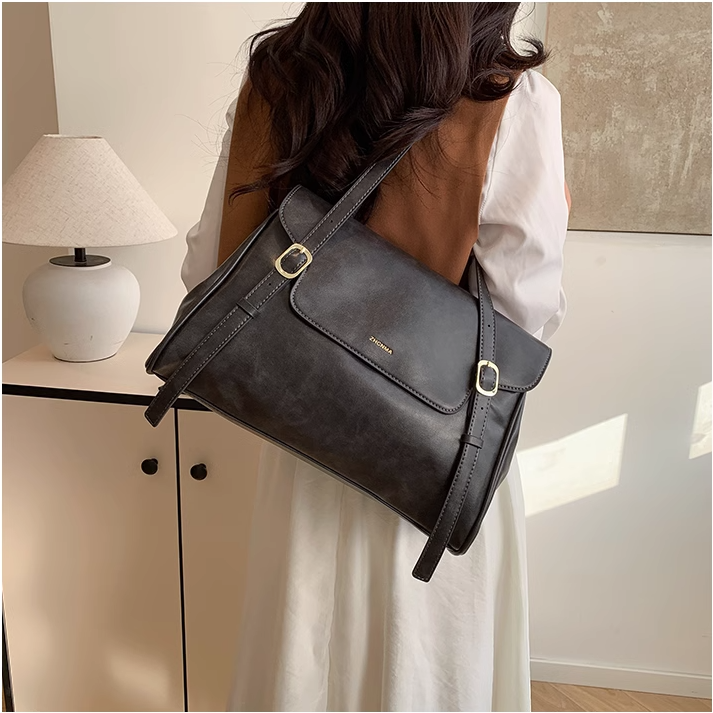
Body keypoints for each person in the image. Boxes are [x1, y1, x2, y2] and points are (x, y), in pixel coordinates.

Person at [181, 4, 570, 711]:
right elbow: (524, 314)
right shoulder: (506, 98)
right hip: (436, 447)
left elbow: (210, 270)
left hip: (302, 442)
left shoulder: (280, 79)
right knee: (428, 669)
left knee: (304, 660)